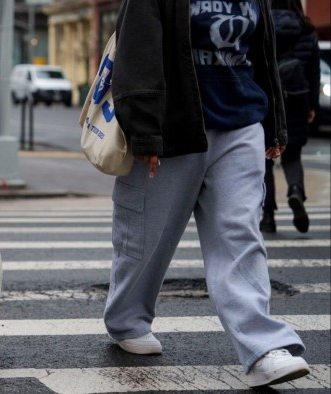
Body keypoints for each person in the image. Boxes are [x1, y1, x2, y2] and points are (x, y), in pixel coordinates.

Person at [103, 0, 310, 388]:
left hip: (241, 124)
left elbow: (263, 53)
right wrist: (146, 131)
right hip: (175, 128)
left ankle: (263, 346)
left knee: (239, 234)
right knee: (146, 237)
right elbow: (138, 51)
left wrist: (274, 123)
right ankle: (126, 319)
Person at [260, 0, 321, 233]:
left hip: (269, 100)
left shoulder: (263, 24)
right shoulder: (306, 30)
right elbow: (313, 72)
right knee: (293, 155)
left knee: (265, 158)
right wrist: (311, 106)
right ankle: (295, 190)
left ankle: (268, 216)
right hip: (298, 99)